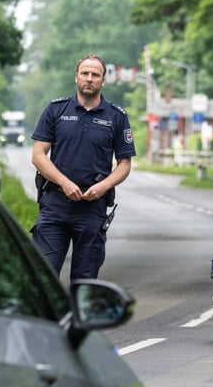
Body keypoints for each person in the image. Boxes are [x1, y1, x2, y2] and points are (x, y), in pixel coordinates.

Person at [30, 54, 135, 281]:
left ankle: (80, 317)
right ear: (76, 77)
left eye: (95, 74)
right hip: (55, 206)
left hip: (92, 208)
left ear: (103, 80)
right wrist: (64, 183)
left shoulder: (116, 116)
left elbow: (124, 163)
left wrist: (103, 186)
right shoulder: (55, 110)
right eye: (84, 73)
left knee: (85, 281)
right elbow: (38, 156)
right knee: (43, 277)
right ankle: (45, 318)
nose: (89, 78)